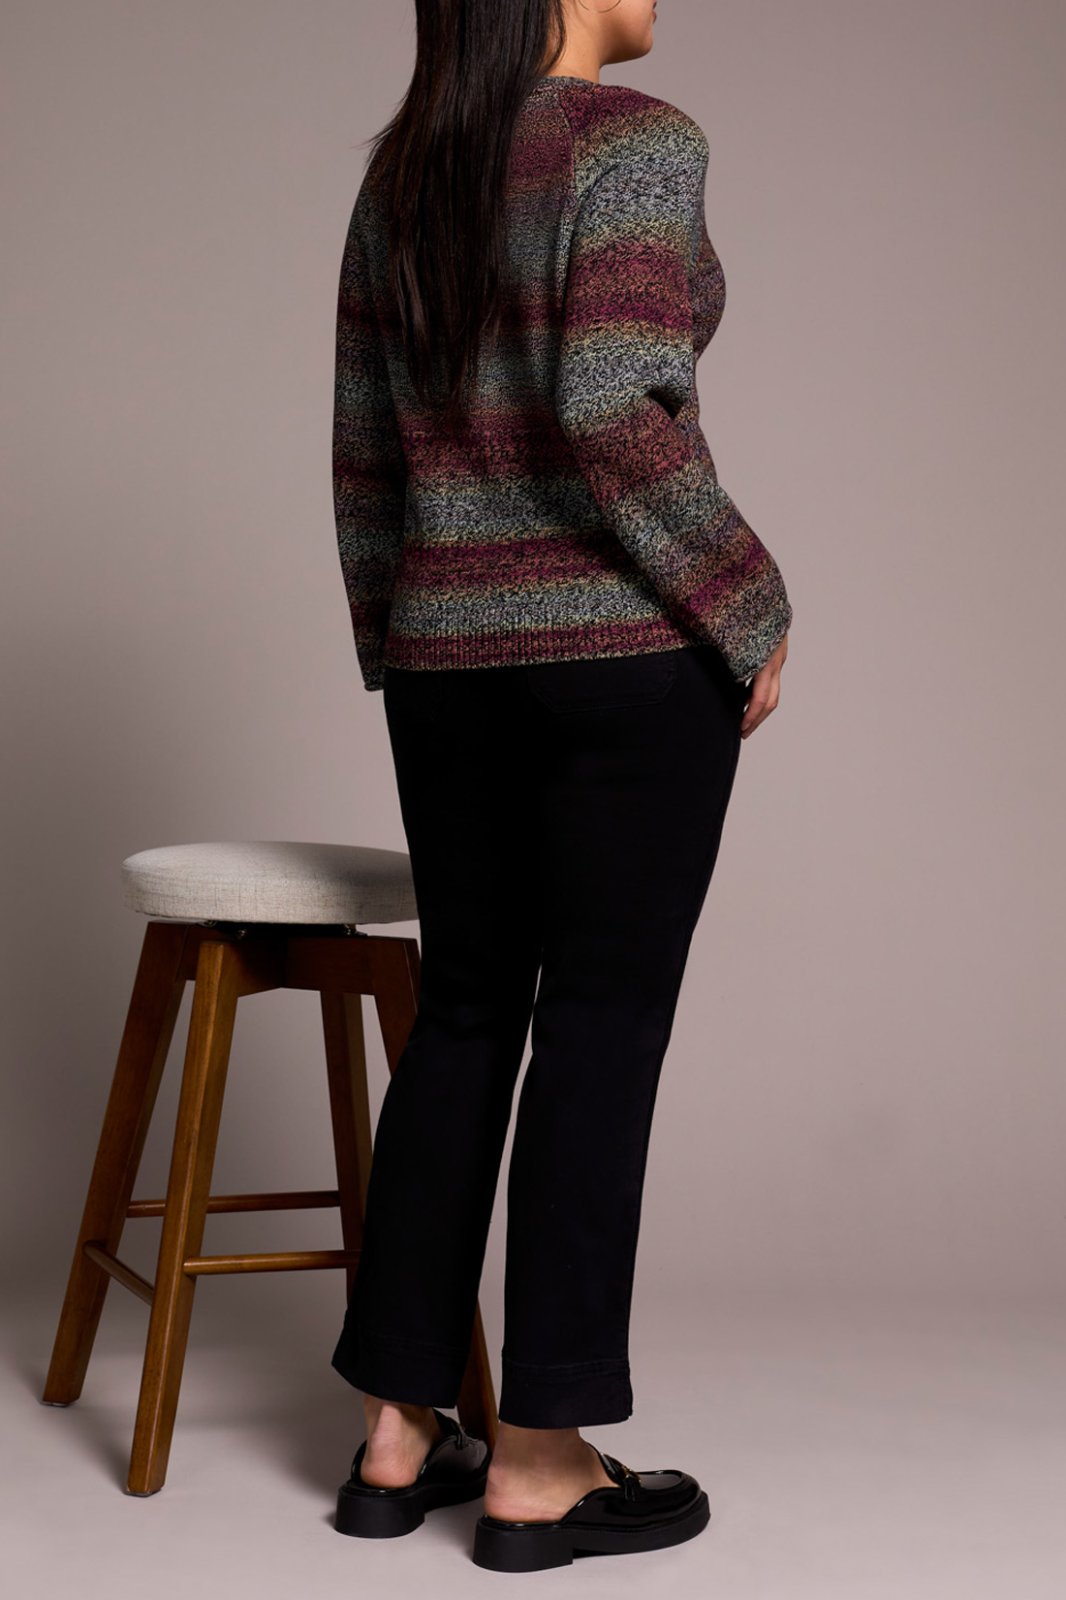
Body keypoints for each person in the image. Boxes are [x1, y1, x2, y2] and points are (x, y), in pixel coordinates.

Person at [326, 0, 792, 1572]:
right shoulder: (633, 141)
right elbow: (609, 406)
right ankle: (537, 1460)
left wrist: (405, 639)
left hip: (445, 659)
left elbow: (364, 453)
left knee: (465, 1011)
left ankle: (396, 1433)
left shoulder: (411, 171)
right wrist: (749, 605)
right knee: (598, 1024)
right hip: (616, 656)